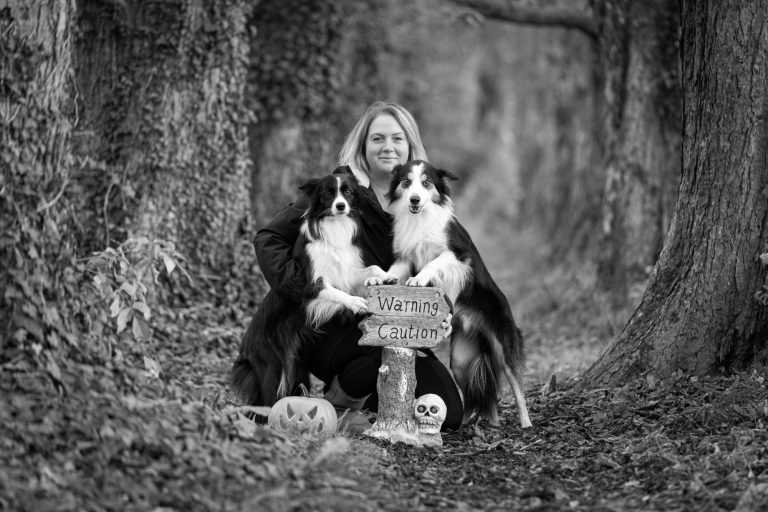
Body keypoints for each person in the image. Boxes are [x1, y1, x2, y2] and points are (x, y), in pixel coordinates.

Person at [244, 101, 463, 432]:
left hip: (392, 325)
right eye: (377, 138)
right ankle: (340, 400)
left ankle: (370, 401)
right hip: (328, 329)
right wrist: (304, 287)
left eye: (397, 138)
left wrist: (441, 311)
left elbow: (434, 269)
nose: (388, 147)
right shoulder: (339, 190)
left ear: (410, 145)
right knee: (378, 347)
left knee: (449, 412)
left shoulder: (425, 199)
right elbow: (269, 238)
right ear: (363, 145)